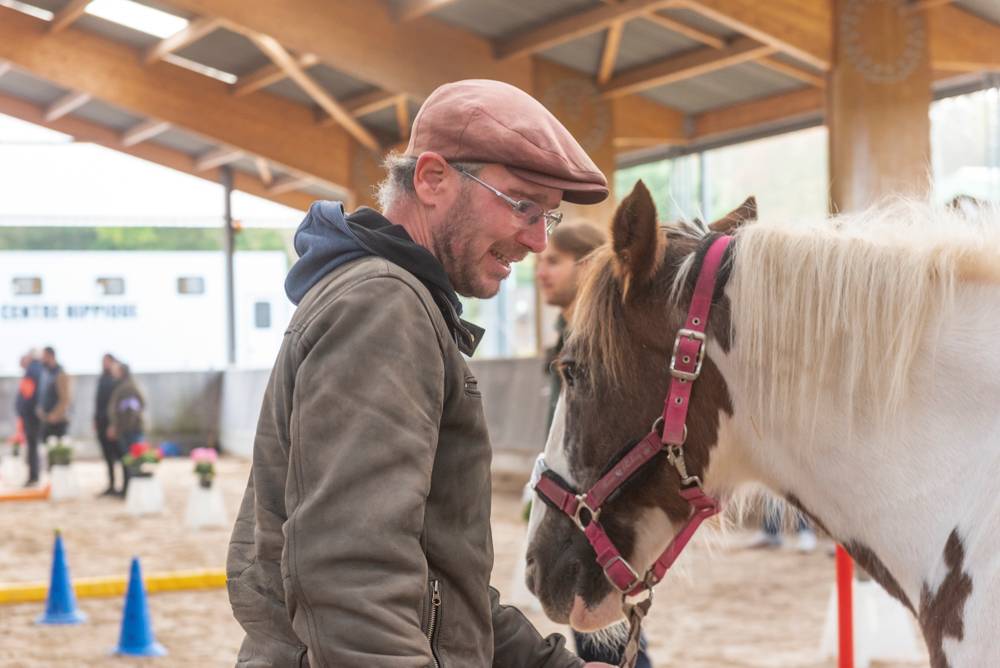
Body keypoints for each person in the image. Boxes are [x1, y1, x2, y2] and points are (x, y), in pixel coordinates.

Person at [227, 79, 616, 667]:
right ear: (433, 178)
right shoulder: (383, 307)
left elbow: (439, 590)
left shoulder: (398, 301)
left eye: (549, 215)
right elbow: (351, 581)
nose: (538, 239)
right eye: (522, 205)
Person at [537, 223, 654, 668]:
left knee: (605, 626)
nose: (541, 270)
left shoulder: (604, 347)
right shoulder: (562, 336)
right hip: (567, 493)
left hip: (597, 502)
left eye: (553, 260)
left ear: (587, 266)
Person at [106, 361, 145, 498]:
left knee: (132, 462)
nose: (113, 373)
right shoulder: (124, 386)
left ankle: (131, 492)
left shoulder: (127, 388)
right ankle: (127, 490)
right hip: (127, 430)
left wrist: (118, 428)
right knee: (128, 462)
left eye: (116, 370)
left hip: (130, 431)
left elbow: (130, 413)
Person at [15, 350, 43, 487]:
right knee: (33, 446)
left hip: (30, 416)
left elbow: (28, 396)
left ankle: (34, 476)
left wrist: (23, 411)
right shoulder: (36, 370)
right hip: (31, 415)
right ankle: (34, 475)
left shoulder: (32, 371)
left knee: (32, 446)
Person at [94, 353, 121, 496]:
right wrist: (95, 419)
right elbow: (98, 402)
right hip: (101, 422)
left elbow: (115, 405)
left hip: (112, 423)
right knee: (107, 457)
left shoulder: (115, 381)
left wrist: (114, 424)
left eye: (107, 361)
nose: (104, 364)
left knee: (118, 455)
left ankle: (123, 486)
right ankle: (111, 484)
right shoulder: (102, 379)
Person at [36, 346, 71, 447]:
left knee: (58, 454)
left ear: (51, 356)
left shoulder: (60, 374)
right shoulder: (46, 373)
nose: (42, 359)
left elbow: (65, 398)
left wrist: (55, 414)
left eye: (44, 356)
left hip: (57, 421)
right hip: (46, 419)